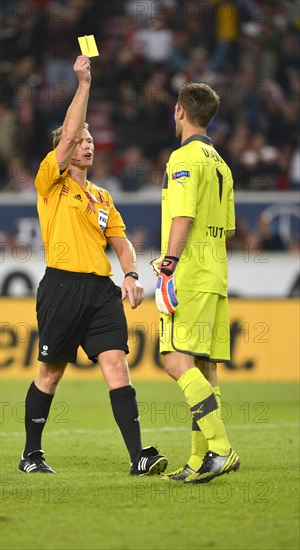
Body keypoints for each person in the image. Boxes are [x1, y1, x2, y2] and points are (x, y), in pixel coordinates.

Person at [19, 55, 167, 476]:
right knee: (50, 373)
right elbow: (65, 136)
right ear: (63, 151)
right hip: (61, 288)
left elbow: (122, 245)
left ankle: (138, 456)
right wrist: (83, 84)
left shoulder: (103, 196)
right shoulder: (51, 183)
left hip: (100, 292)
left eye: (90, 139)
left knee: (117, 364)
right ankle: (31, 453)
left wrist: (133, 275)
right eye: (80, 140)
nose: (87, 144)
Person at [154, 82, 240, 483]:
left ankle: (220, 449)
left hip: (188, 275)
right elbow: (229, 229)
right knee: (205, 370)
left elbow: (183, 215)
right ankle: (197, 458)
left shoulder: (184, 158)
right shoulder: (221, 163)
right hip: (215, 274)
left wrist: (169, 263)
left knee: (174, 360)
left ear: (180, 111)